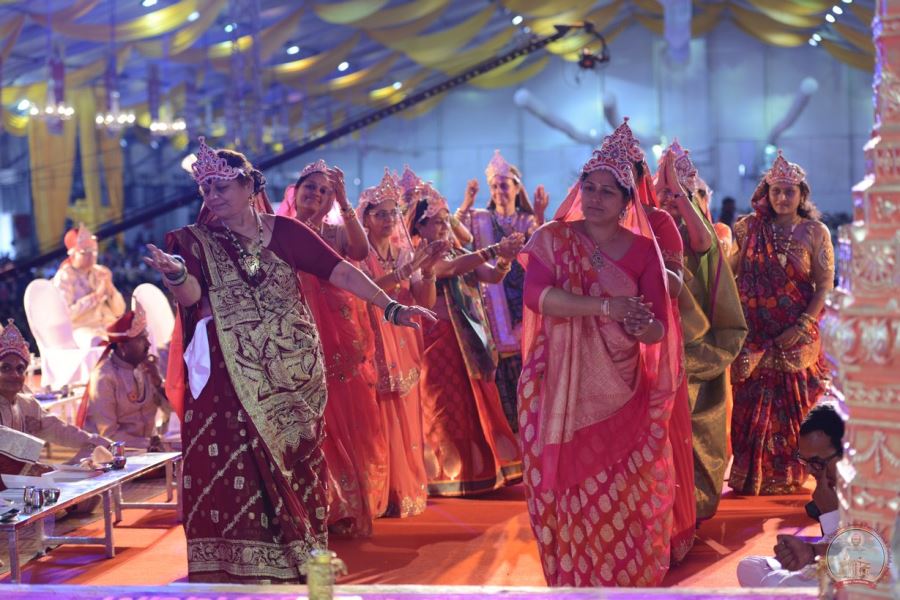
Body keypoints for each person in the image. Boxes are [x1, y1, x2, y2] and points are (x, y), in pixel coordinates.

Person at [142, 137, 434, 583]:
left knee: (296, 463)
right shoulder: (197, 242)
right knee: (231, 460)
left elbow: (341, 270)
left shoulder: (286, 232)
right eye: (206, 189)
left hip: (293, 373)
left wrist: (390, 307)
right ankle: (232, 561)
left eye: (222, 187)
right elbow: (193, 297)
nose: (213, 197)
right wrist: (178, 273)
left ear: (249, 186)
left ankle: (297, 554)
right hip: (229, 373)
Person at [517, 134, 679, 587]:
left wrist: (639, 324)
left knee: (622, 491)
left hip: (622, 388)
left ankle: (619, 583)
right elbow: (536, 297)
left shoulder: (644, 251)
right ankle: (572, 581)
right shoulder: (553, 238)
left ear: (627, 201)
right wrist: (606, 307)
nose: (595, 198)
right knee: (561, 490)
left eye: (608, 191)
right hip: (556, 387)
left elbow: (658, 328)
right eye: (589, 187)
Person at [280, 158, 385, 537]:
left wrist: (344, 202)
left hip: (335, 338)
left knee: (338, 415)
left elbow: (359, 251)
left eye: (325, 190)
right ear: (295, 191)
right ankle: (305, 504)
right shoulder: (276, 230)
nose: (317, 194)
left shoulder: (333, 232)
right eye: (311, 187)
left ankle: (341, 506)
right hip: (291, 335)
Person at [607, 119, 695, 562]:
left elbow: (675, 286)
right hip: (604, 346)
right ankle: (611, 529)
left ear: (640, 178)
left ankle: (663, 530)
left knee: (654, 432)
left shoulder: (659, 222)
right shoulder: (588, 227)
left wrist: (641, 255)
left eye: (629, 171)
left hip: (654, 343)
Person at [728, 150, 834, 495]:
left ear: (802, 195)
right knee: (749, 407)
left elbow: (824, 286)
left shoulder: (815, 232)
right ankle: (750, 475)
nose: (782, 198)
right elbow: (728, 274)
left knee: (794, 410)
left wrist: (801, 326)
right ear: (766, 193)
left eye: (790, 191)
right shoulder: (748, 229)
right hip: (754, 335)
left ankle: (790, 475)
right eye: (776, 191)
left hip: (795, 337)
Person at [411, 184, 523, 496]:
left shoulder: (460, 251)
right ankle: (449, 476)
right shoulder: (420, 256)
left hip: (470, 341)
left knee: (476, 402)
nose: (444, 226)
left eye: (446, 220)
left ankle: (484, 471)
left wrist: (504, 260)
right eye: (437, 221)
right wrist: (493, 250)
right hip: (437, 340)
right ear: (420, 226)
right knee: (444, 405)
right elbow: (449, 269)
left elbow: (492, 276)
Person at [657, 141, 748, 520]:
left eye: (678, 193)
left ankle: (690, 507)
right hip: (655, 345)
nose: (668, 199)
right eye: (662, 191)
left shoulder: (709, 233)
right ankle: (663, 509)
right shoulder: (645, 230)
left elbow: (704, 244)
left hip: (698, 346)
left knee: (696, 431)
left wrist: (680, 195)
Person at [357, 171, 448, 517]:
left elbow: (425, 299)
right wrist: (405, 272)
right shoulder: (357, 255)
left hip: (403, 342)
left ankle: (403, 491)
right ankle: (378, 494)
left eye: (392, 214)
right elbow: (367, 292)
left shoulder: (403, 253)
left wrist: (429, 270)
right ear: (365, 217)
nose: (388, 220)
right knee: (376, 419)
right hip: (372, 341)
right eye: (380, 214)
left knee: (405, 414)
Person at [455, 150, 546, 431]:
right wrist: (467, 202)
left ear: (517, 188)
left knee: (528, 363)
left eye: (503, 186)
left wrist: (540, 215)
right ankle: (509, 433)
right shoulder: (479, 218)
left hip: (522, 305)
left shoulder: (527, 221)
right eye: (493, 186)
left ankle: (533, 427)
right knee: (500, 375)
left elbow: (543, 252)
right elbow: (454, 233)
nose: (498, 192)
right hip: (491, 305)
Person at [736, 404, 844, 587]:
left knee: (776, 583)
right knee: (749, 566)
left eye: (816, 462)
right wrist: (809, 552)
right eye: (805, 461)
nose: (809, 471)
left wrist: (831, 515)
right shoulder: (835, 487)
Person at [0, 320, 109, 454]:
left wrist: (103, 444)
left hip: (28, 467)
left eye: (20, 369)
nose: (15, 375)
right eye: (5, 368)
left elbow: (61, 430)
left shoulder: (28, 405)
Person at [79, 303, 170, 450]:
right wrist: (147, 444)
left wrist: (158, 382)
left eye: (146, 338)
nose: (148, 344)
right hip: (112, 454)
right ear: (123, 347)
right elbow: (108, 435)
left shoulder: (145, 367)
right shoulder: (104, 377)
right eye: (141, 339)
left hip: (147, 451)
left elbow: (171, 411)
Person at [52, 223, 126, 348]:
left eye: (94, 251)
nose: (91, 255)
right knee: (97, 343)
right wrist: (96, 296)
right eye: (85, 252)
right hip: (83, 329)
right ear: (73, 253)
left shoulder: (101, 272)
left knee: (137, 333)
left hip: (109, 325)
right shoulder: (64, 277)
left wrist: (109, 287)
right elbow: (66, 315)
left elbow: (119, 310)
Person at [397, 165, 472, 246]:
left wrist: (444, 214)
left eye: (447, 220)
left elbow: (468, 239)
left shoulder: (447, 240)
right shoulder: (410, 249)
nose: (446, 226)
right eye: (438, 222)